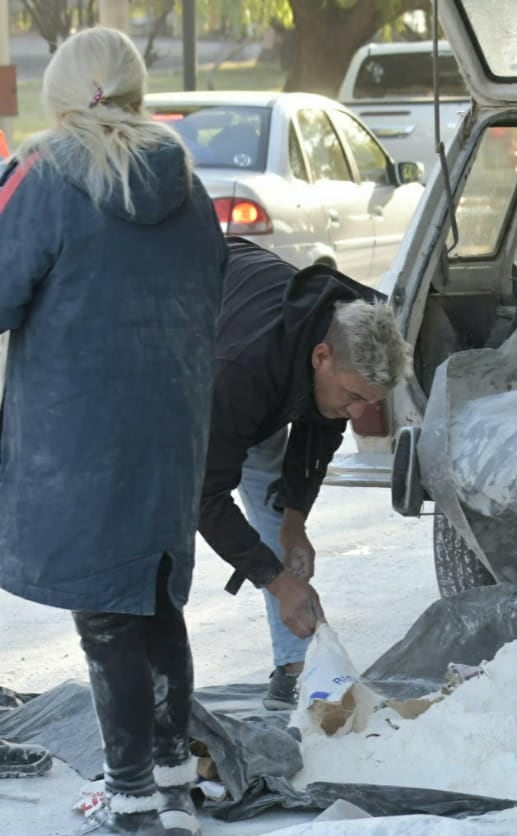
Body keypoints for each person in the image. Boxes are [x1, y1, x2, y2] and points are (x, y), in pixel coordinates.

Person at [0, 27, 225, 836]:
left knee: (105, 617)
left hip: (76, 438)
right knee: (154, 602)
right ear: (134, 89)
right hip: (171, 429)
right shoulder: (191, 187)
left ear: (64, 93)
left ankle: (130, 801)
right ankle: (173, 784)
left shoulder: (45, 174)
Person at [199, 238, 411, 710]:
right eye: (354, 396)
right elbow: (203, 496)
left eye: (370, 403)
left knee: (275, 510)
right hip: (193, 349)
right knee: (156, 526)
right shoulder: (241, 372)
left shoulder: (349, 333)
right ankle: (148, 683)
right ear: (321, 357)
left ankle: (295, 670)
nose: (358, 415)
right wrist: (276, 580)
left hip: (263, 358)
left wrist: (295, 519)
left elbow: (322, 428)